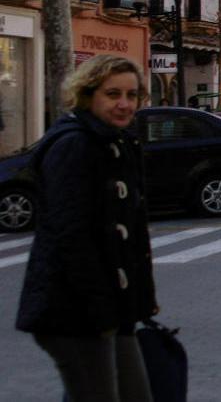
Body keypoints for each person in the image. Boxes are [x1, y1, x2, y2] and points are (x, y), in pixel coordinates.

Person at [16, 55, 157, 402]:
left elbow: (133, 232)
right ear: (88, 94)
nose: (124, 104)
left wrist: (142, 297)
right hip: (73, 311)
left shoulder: (118, 141)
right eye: (113, 94)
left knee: (136, 394)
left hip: (112, 307)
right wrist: (100, 310)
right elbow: (71, 236)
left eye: (132, 94)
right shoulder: (74, 144)